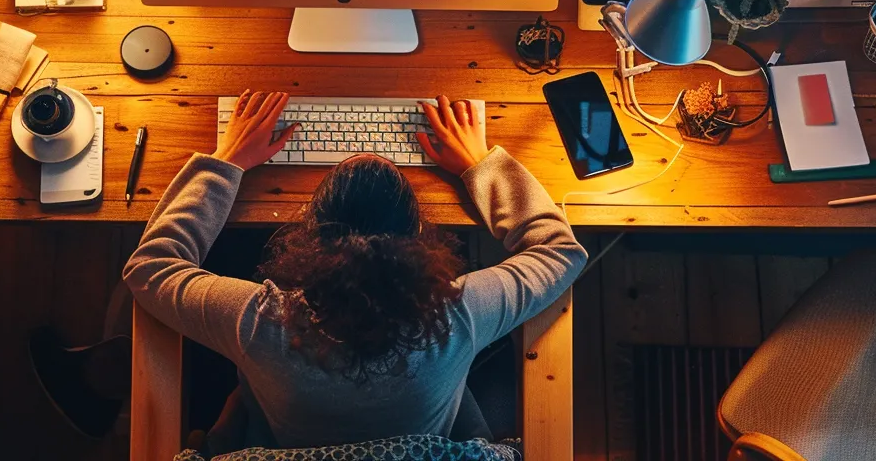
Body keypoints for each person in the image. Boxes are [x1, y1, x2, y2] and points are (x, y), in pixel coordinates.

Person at [123, 91, 586, 450]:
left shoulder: (259, 324)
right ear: (420, 237)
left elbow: (149, 267)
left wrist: (225, 163)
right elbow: (561, 252)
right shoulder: (458, 315)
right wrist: (481, 166)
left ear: (308, 234)